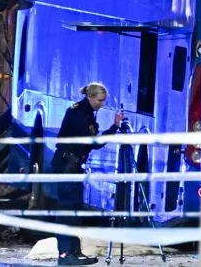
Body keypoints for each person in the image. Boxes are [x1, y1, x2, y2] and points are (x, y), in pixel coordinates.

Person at [51, 82, 126, 266]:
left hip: (73, 164)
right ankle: (65, 254)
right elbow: (94, 142)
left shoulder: (85, 112)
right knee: (67, 210)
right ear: (90, 97)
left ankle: (74, 251)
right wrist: (114, 128)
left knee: (74, 209)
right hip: (67, 165)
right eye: (100, 100)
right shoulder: (78, 114)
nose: (102, 103)